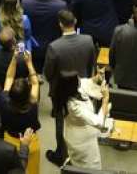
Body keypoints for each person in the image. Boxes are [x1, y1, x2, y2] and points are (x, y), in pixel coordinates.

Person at [43, 10, 97, 166]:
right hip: (83, 87)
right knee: (83, 118)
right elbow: (90, 65)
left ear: (60, 24)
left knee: (61, 121)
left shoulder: (54, 47)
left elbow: (47, 74)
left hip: (61, 92)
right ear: (75, 21)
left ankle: (62, 154)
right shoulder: (88, 40)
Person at [55, 72, 112, 169]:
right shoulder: (73, 106)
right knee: (89, 167)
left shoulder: (66, 90)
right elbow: (98, 122)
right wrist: (105, 99)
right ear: (73, 86)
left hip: (78, 133)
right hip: (82, 142)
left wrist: (96, 78)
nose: (79, 79)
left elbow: (84, 82)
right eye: (77, 78)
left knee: (80, 165)